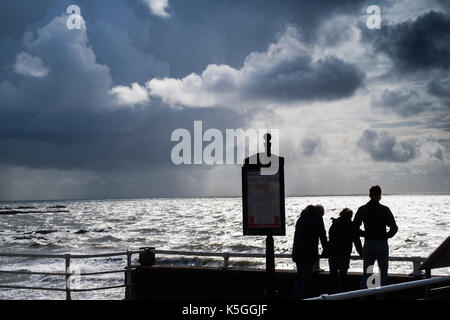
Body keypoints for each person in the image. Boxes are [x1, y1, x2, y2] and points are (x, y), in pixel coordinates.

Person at [354, 185, 398, 299]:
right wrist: (386, 236)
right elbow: (394, 227)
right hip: (381, 244)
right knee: (383, 273)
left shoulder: (362, 209)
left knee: (367, 272)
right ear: (380, 195)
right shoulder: (384, 209)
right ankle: (380, 297)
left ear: (369, 195)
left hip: (368, 243)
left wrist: (364, 234)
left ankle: (364, 297)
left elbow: (354, 228)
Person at [292, 205, 328, 300]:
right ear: (320, 213)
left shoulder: (301, 218)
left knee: (300, 277)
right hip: (309, 253)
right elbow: (322, 235)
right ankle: (303, 298)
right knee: (306, 279)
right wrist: (326, 249)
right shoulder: (317, 219)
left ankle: (295, 297)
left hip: (297, 252)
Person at [326, 208, 363, 294]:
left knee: (333, 277)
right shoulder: (350, 225)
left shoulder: (334, 224)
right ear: (350, 216)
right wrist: (361, 253)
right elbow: (356, 240)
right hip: (344, 254)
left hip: (333, 253)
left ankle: (330, 295)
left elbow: (330, 238)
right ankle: (340, 295)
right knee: (341, 279)